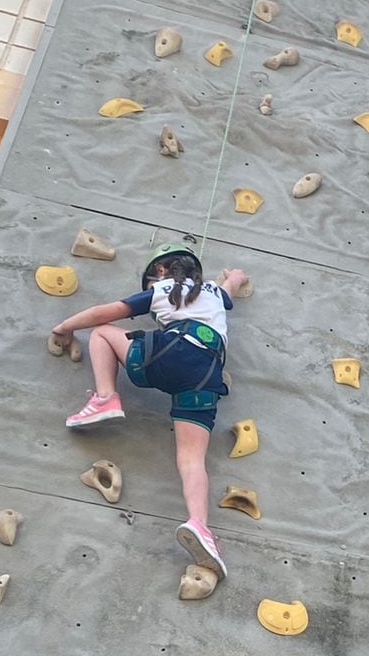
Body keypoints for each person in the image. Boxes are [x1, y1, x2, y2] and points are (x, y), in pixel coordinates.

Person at [50, 240, 248, 579]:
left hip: (169, 355)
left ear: (159, 271)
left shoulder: (164, 287)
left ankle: (106, 397)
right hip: (205, 376)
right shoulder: (214, 291)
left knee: (102, 333)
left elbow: (105, 312)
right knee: (191, 460)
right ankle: (200, 526)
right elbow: (230, 285)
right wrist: (237, 277)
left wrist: (64, 327)